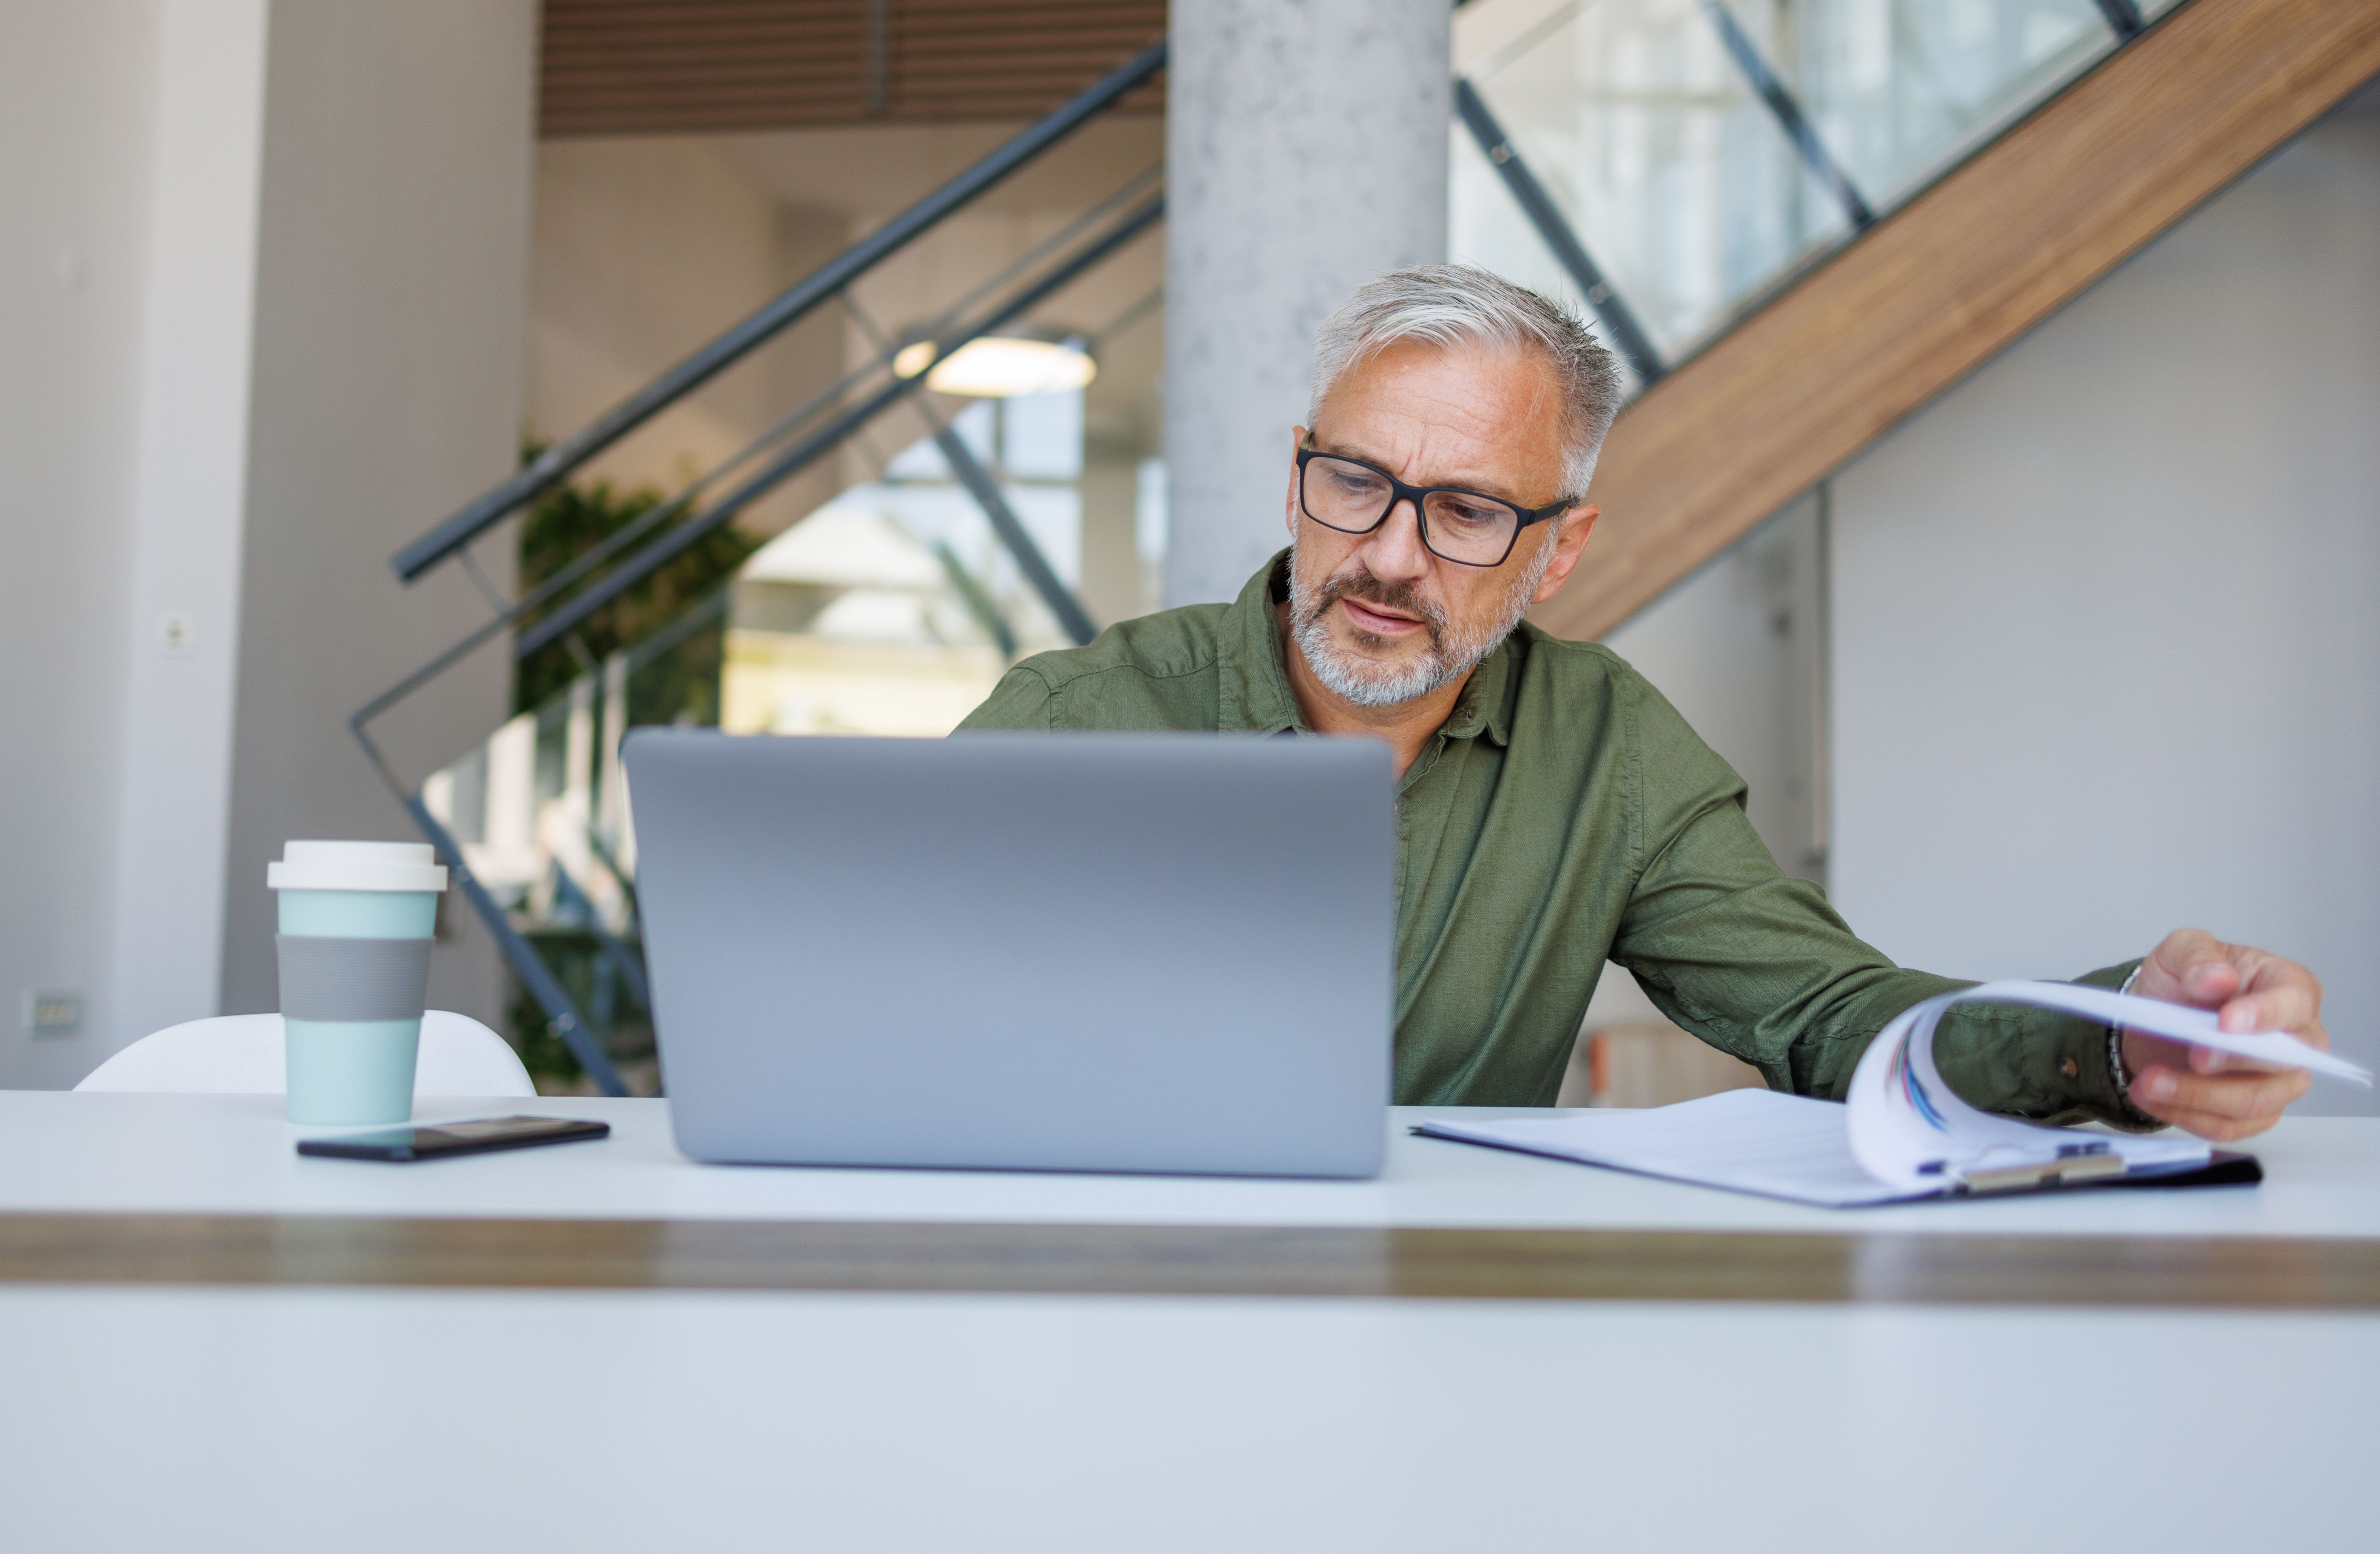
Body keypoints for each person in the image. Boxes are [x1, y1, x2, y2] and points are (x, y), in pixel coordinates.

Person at [959, 265, 2327, 1139]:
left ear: (1560, 549)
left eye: (1470, 511)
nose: (1386, 552)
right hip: (1092, 1295)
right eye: (1358, 482)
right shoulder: (1084, 713)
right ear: (1300, 474)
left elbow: (1837, 1017)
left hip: (1430, 1331)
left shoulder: (1609, 755)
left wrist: (2121, 1034)